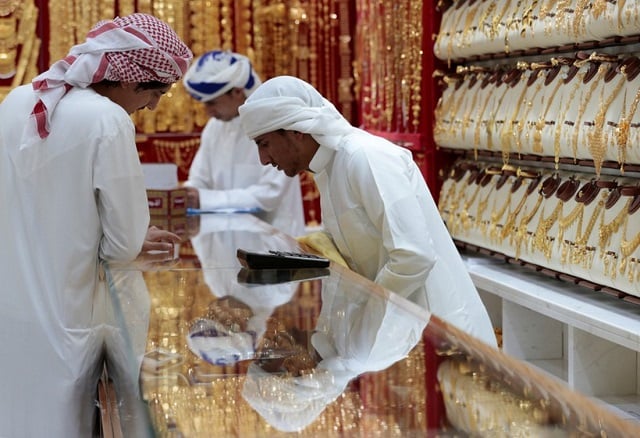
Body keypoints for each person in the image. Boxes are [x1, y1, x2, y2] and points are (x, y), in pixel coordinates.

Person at [0, 13, 192, 437]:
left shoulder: (16, 102)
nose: (154, 107)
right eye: (155, 92)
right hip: (70, 323)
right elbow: (124, 245)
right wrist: (138, 239)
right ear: (126, 78)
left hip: (11, 316)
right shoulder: (106, 120)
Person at [238, 76, 497, 347]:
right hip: (398, 334)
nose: (263, 160)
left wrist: (366, 321)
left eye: (264, 144)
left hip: (438, 331)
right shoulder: (327, 168)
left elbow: (413, 255)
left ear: (296, 132)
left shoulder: (364, 157)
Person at [181, 50, 306, 236]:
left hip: (275, 242)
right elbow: (200, 180)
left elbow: (269, 194)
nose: (208, 112)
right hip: (221, 240)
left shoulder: (275, 125)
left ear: (237, 92)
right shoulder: (214, 128)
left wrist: (204, 199)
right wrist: (187, 195)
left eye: (212, 103)